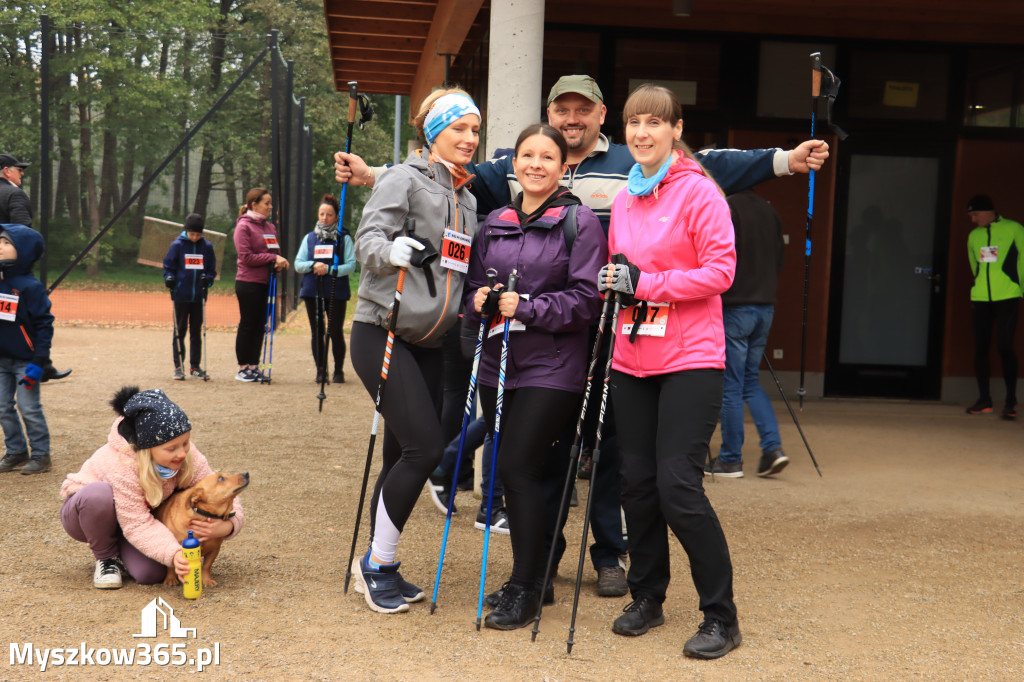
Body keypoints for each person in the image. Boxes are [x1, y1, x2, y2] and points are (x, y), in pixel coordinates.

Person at [335, 74, 829, 599]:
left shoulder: (634, 163)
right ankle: (523, 562)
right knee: (535, 458)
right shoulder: (511, 166)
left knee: (614, 455)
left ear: (599, 114)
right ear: (549, 117)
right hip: (522, 340)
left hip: (607, 335)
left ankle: (609, 554)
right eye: (562, 110)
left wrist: (784, 159)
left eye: (583, 109)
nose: (571, 120)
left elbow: (709, 163)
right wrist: (373, 175)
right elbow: (439, 171)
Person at [600, 84, 740, 659]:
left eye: (654, 122)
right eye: (634, 123)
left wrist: (646, 285)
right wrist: (614, 285)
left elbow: (721, 271)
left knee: (678, 486)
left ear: (676, 130)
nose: (642, 133)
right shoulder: (628, 196)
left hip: (690, 359)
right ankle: (648, 597)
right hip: (631, 358)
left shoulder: (699, 192)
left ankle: (721, 617)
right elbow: (619, 270)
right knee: (636, 484)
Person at [464, 123, 607, 629]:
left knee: (518, 469)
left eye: (547, 157)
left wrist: (527, 307)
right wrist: (479, 302)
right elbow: (475, 288)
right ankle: (536, 576)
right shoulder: (495, 220)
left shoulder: (580, 221)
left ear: (564, 165)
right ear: (514, 164)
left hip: (554, 366)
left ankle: (525, 585)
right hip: (497, 362)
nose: (536, 164)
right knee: (526, 472)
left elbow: (588, 299)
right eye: (527, 155)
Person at [348, 88, 481, 614]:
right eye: (459, 129)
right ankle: (378, 565)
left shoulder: (467, 199)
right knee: (425, 450)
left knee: (404, 453)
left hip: (432, 343)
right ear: (434, 132)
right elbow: (367, 240)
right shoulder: (404, 179)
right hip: (382, 331)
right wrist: (388, 251)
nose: (470, 139)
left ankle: (378, 561)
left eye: (475, 130)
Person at [60, 386, 244, 589]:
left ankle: (124, 550)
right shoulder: (122, 465)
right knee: (98, 495)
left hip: (132, 520)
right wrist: (174, 553)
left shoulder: (184, 452)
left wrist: (229, 524)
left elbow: (217, 486)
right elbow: (137, 524)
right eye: (171, 448)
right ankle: (106, 558)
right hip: (88, 515)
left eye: (185, 443)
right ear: (147, 449)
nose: (182, 453)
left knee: (150, 573)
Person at [707, 190, 789, 478]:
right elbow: (781, 258)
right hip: (765, 306)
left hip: (734, 307)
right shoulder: (769, 209)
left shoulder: (724, 207)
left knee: (731, 385)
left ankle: (730, 459)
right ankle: (773, 449)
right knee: (750, 382)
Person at [965, 194, 1024, 419]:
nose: (973, 220)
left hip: (1008, 295)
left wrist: (1021, 289)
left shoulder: (1014, 229)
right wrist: (979, 287)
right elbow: (975, 267)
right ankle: (984, 400)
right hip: (981, 298)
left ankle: (1011, 401)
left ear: (988, 211)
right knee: (981, 348)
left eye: (975, 215)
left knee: (1005, 346)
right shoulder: (974, 236)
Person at [0, 225, 53, 474]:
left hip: (26, 362)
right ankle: (16, 451)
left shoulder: (30, 287)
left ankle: (41, 455)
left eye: (6, 242)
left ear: (24, 251)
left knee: (29, 408)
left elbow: (44, 325)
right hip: (1, 360)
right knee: (2, 407)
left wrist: (39, 361)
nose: (0, 246)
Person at [294, 194, 356, 384]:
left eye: (329, 215)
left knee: (335, 331)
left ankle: (338, 370)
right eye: (322, 214)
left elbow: (351, 265)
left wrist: (330, 269)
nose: (324, 218)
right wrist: (314, 265)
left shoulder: (343, 238)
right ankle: (321, 370)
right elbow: (299, 264)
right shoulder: (309, 238)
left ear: (336, 216)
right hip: (313, 291)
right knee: (317, 331)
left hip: (336, 292)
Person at [233, 188, 289, 382]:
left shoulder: (270, 227)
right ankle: (242, 368)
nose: (270, 206)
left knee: (261, 325)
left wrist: (277, 262)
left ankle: (253, 366)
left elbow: (275, 250)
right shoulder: (243, 227)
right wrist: (273, 257)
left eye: (270, 202)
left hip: (267, 282)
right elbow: (246, 256)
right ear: (254, 204)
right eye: (267, 203)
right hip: (248, 283)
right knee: (248, 324)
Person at [162, 213, 217, 381]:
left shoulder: (206, 247)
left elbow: (211, 270)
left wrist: (207, 280)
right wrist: (169, 279)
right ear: (186, 231)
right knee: (180, 330)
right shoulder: (177, 245)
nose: (195, 238)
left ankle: (195, 366)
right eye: (192, 234)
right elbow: (168, 267)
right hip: (180, 295)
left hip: (198, 296)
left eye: (198, 234)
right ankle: (179, 366)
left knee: (196, 332)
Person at [0, 153, 32, 226]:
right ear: (7, 171)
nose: (22, 173)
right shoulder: (14, 194)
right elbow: (21, 230)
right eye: (19, 170)